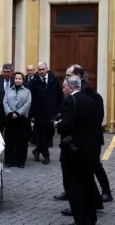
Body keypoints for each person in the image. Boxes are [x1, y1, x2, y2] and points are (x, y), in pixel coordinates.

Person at [54, 65, 112, 216]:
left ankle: (83, 205)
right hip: (86, 139)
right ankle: (94, 202)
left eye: (68, 76)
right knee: (88, 173)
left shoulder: (88, 94)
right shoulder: (80, 93)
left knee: (83, 174)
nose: (65, 80)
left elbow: (95, 117)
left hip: (82, 141)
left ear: (77, 78)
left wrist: (62, 124)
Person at [28, 62, 63, 164]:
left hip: (52, 113)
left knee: (49, 135)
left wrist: (59, 110)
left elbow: (59, 95)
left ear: (47, 69)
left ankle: (37, 150)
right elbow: (31, 99)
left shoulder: (53, 79)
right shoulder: (34, 81)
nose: (41, 71)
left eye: (43, 69)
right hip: (39, 113)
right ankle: (46, 156)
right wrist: (32, 115)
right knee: (42, 135)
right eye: (39, 70)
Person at [3, 72, 32, 168]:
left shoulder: (27, 91)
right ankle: (9, 160)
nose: (17, 80)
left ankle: (20, 161)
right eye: (16, 78)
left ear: (23, 80)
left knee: (22, 141)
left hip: (22, 119)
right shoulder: (8, 90)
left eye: (20, 78)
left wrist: (18, 113)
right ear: (13, 79)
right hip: (10, 118)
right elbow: (5, 102)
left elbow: (27, 104)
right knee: (9, 140)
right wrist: (10, 113)